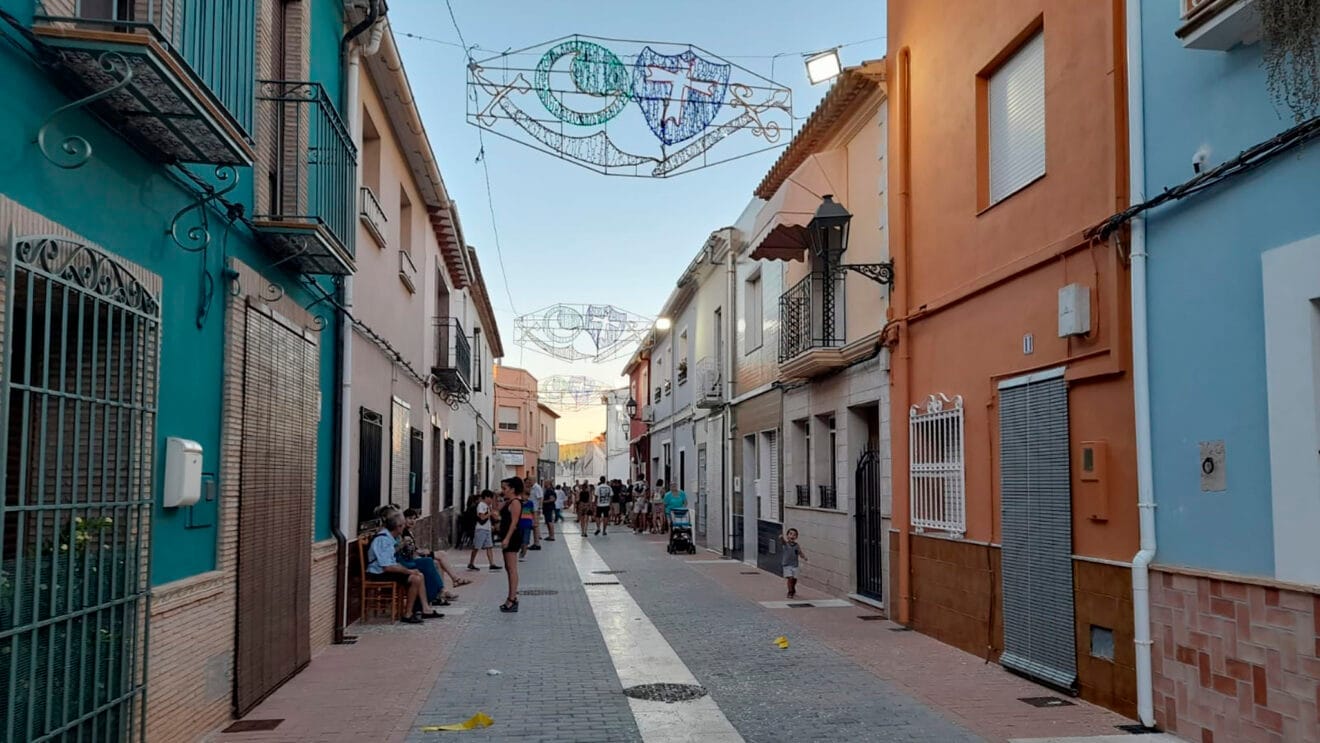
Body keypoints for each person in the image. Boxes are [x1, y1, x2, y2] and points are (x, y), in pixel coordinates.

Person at [366, 511, 442, 623]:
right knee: (415, 577)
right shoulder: (383, 540)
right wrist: (408, 571)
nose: (404, 528)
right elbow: (387, 567)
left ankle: (424, 609)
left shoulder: (389, 538)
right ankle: (408, 614)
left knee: (419, 574)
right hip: (379, 573)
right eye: (402, 525)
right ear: (398, 527)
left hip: (386, 570)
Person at [497, 477, 524, 612]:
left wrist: (507, 538)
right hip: (507, 536)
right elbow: (496, 512)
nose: (503, 491)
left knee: (512, 568)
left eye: (505, 489)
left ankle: (512, 599)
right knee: (508, 568)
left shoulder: (515, 503)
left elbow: (514, 523)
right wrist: (499, 497)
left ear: (512, 489)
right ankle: (511, 596)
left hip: (512, 537)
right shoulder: (509, 502)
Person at [467, 491, 502, 571]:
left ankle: (492, 564)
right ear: (486, 497)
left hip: (487, 529)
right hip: (481, 529)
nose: (491, 500)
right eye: (490, 498)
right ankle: (471, 563)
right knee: (476, 547)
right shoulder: (481, 506)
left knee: (489, 546)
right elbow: (482, 517)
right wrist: (490, 514)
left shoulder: (487, 506)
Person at [779, 528, 808, 599]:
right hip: (786, 564)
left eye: (794, 535)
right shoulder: (786, 544)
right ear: (787, 536)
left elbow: (800, 552)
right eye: (790, 534)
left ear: (796, 537)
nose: (792, 536)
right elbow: (782, 541)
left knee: (794, 579)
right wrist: (781, 538)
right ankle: (790, 592)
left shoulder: (796, 545)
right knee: (790, 578)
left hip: (795, 565)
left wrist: (804, 557)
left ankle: (793, 588)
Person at [523, 477, 542, 552]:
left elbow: (540, 498)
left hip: (535, 509)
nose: (529, 482)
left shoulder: (537, 487)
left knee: (535, 526)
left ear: (533, 480)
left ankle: (537, 543)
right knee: (533, 526)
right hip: (531, 509)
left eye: (530, 481)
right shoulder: (531, 488)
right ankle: (535, 542)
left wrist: (540, 508)